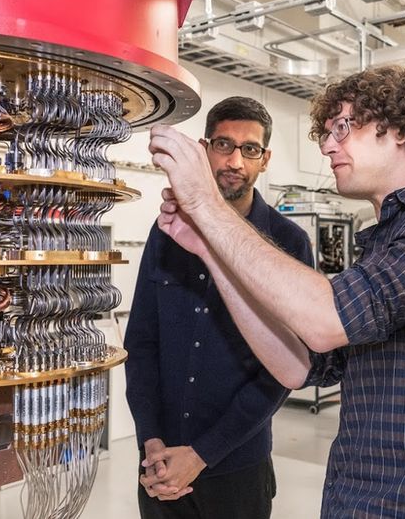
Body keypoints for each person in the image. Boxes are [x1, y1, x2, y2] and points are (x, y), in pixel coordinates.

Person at [146, 65, 405, 518]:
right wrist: (208, 250)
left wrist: (206, 204)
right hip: (352, 501)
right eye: (326, 133)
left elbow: (327, 321)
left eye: (343, 127)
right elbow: (300, 366)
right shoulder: (382, 246)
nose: (328, 145)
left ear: (399, 129)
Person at [124, 96, 313, 519]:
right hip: (159, 463)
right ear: (204, 148)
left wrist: (203, 453)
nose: (234, 161)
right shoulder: (167, 233)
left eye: (249, 150)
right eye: (223, 145)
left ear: (264, 160)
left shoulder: (290, 243)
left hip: (236, 467)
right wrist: (150, 438)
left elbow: (283, 371)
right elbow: (141, 342)